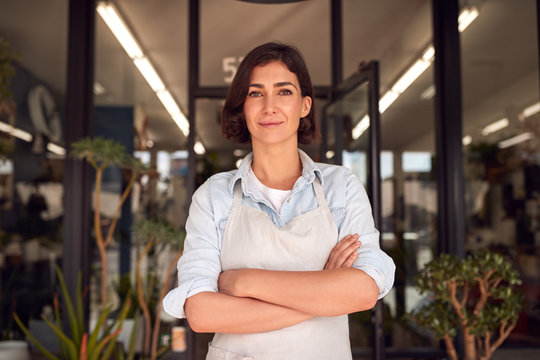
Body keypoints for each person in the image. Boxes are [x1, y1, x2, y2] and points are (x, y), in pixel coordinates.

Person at [163, 42, 395, 359]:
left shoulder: (340, 187)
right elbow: (203, 314)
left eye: (284, 91)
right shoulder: (213, 196)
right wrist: (325, 292)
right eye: (255, 93)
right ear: (242, 108)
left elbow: (364, 290)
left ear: (305, 105)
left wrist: (244, 282)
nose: (269, 106)